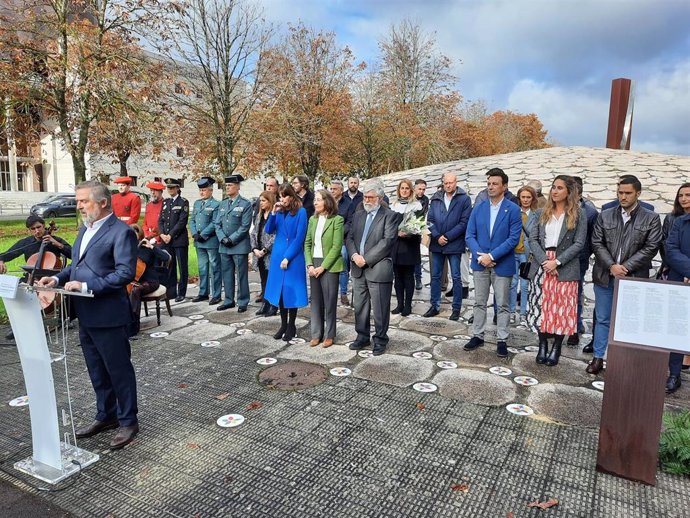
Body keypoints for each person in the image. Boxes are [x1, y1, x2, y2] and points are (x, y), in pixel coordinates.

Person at [37, 180, 139, 449]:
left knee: (118, 370)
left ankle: (128, 420)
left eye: (84, 200)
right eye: (78, 200)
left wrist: (86, 286)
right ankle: (106, 416)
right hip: (85, 313)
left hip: (109, 315)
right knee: (96, 369)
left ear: (103, 202)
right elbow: (76, 266)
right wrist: (57, 279)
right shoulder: (85, 230)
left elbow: (124, 273)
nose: (78, 205)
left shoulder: (122, 232)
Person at [587, 176, 662, 374]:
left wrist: (625, 267)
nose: (623, 196)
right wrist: (612, 265)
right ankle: (598, 357)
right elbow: (597, 242)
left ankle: (621, 360)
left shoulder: (651, 218)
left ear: (638, 193)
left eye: (627, 193)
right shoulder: (606, 215)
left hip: (634, 279)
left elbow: (651, 247)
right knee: (603, 318)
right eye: (620, 192)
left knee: (628, 320)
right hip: (605, 275)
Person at [526, 176, 587, 366]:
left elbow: (579, 243)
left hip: (565, 267)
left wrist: (557, 262)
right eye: (553, 187)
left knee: (560, 310)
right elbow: (533, 239)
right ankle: (542, 345)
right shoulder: (541, 212)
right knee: (542, 308)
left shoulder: (578, 213)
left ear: (569, 191)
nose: (555, 191)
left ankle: (556, 348)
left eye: (559, 188)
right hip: (542, 265)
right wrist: (545, 260)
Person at [464, 168, 522, 358]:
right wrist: (481, 256)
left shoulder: (513, 209)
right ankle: (477, 335)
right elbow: (470, 234)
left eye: (495, 183)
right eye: (488, 183)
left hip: (502, 264)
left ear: (504, 186)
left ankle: (502, 339)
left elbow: (513, 239)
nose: (490, 187)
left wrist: (493, 256)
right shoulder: (479, 207)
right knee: (479, 302)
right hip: (480, 263)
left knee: (503, 304)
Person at [346, 180, 399, 356]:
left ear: (380, 197)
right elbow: (350, 238)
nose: (367, 200)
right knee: (360, 306)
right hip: (358, 268)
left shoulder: (389, 216)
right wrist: (354, 256)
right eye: (365, 197)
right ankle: (362, 336)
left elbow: (387, 242)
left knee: (380, 308)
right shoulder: (359, 214)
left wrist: (366, 259)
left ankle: (380, 339)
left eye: (371, 197)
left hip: (378, 268)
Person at [264, 184, 308, 342]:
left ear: (292, 196)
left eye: (285, 196)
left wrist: (288, 257)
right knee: (280, 292)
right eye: (280, 196)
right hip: (277, 255)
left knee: (291, 292)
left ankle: (291, 325)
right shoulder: (280, 212)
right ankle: (283, 324)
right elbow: (269, 230)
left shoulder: (301, 212)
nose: (282, 199)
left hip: (293, 256)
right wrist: (274, 213)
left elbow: (299, 237)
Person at [425, 172, 472, 321]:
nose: (448, 185)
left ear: (456, 182)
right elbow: (430, 220)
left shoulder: (464, 199)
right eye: (446, 183)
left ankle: (456, 308)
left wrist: (448, 236)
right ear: (443, 183)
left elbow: (464, 222)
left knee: (456, 277)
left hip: (455, 243)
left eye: (451, 183)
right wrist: (438, 236)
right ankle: (434, 305)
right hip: (437, 243)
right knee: (436, 276)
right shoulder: (436, 198)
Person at [305, 190, 344, 347]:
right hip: (314, 262)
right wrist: (309, 264)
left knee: (329, 302)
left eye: (319, 200)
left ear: (327, 201)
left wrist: (323, 267)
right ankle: (316, 334)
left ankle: (329, 335)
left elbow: (336, 246)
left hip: (330, 265)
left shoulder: (337, 220)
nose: (315, 202)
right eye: (314, 200)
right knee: (315, 301)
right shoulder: (312, 220)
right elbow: (307, 243)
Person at [664, 187, 690, 393]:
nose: (683, 199)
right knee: (676, 328)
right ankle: (674, 374)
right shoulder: (679, 222)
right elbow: (670, 249)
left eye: (688, 195)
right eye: (680, 195)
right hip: (680, 281)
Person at [215, 174, 253, 312]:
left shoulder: (245, 203)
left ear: (237, 187)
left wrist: (231, 239)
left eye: (230, 185)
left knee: (241, 274)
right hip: (224, 246)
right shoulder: (223, 203)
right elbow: (217, 223)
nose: (227, 188)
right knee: (227, 274)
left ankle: (243, 301)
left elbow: (245, 226)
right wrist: (222, 238)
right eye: (226, 186)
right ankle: (229, 300)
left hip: (238, 246)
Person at [127, 224, 171, 336]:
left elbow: (166, 258)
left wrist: (152, 247)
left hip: (150, 281)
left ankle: (134, 325)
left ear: (139, 235)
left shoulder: (147, 247)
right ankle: (122, 322)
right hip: (133, 281)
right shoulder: (127, 248)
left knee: (135, 290)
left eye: (135, 234)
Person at [571, 176, 599, 348]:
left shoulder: (590, 212)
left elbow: (592, 239)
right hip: (556, 260)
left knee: (576, 293)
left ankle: (574, 327)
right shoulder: (556, 209)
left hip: (579, 260)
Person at [391, 179, 424, 317]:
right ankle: (399, 304)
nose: (404, 190)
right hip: (396, 245)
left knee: (408, 276)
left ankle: (408, 305)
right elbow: (389, 225)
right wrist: (396, 232)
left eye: (407, 188)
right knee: (397, 277)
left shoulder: (416, 205)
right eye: (402, 188)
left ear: (411, 190)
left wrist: (409, 232)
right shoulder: (393, 206)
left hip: (410, 245)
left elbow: (420, 225)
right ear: (399, 190)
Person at [0, 214, 72, 274]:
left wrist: (58, 244)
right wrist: (1, 260)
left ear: (43, 226)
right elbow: (8, 254)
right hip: (31, 278)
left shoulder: (56, 240)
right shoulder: (26, 242)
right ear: (29, 230)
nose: (37, 231)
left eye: (38, 227)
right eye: (33, 228)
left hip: (52, 279)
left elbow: (73, 255)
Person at [190, 177, 222, 306]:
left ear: (211, 191)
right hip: (199, 241)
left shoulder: (216, 204)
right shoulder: (197, 203)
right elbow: (192, 220)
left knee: (215, 268)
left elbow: (215, 222)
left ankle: (216, 294)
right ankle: (203, 292)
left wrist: (203, 234)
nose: (202, 192)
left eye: (204, 190)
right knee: (202, 268)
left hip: (211, 241)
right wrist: (194, 233)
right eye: (200, 190)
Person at [158, 178, 189, 302]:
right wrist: (161, 234)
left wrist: (170, 234)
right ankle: (171, 292)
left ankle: (182, 292)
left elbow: (182, 222)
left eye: (172, 187)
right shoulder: (166, 202)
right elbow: (161, 220)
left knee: (182, 267)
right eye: (168, 188)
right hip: (166, 240)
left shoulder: (183, 202)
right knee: (170, 267)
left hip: (179, 239)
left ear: (177, 188)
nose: (170, 190)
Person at [511, 185, 538, 326]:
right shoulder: (514, 212)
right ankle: (510, 312)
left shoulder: (536, 215)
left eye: (528, 197)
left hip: (527, 254)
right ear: (519, 198)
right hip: (513, 251)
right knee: (512, 284)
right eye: (523, 197)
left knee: (525, 285)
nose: (526, 200)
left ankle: (523, 313)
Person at [250, 190, 277, 316]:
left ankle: (273, 305)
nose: (261, 203)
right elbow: (254, 232)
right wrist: (255, 249)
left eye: (263, 201)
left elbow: (275, 236)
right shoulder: (259, 215)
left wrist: (265, 249)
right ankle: (265, 304)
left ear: (270, 201)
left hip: (270, 253)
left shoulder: (275, 215)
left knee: (272, 280)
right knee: (263, 280)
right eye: (260, 201)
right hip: (259, 252)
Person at [329, 179, 355, 306]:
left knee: (343, 263)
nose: (332, 191)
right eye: (331, 189)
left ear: (341, 190)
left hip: (342, 240)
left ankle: (343, 293)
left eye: (334, 189)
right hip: (327, 240)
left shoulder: (348, 204)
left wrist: (338, 234)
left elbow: (350, 222)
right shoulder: (327, 203)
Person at [413, 179, 429, 290]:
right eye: (419, 189)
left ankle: (418, 278)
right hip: (405, 228)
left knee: (416, 255)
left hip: (417, 229)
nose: (421, 191)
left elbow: (421, 215)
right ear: (414, 188)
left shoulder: (425, 200)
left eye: (423, 189)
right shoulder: (409, 198)